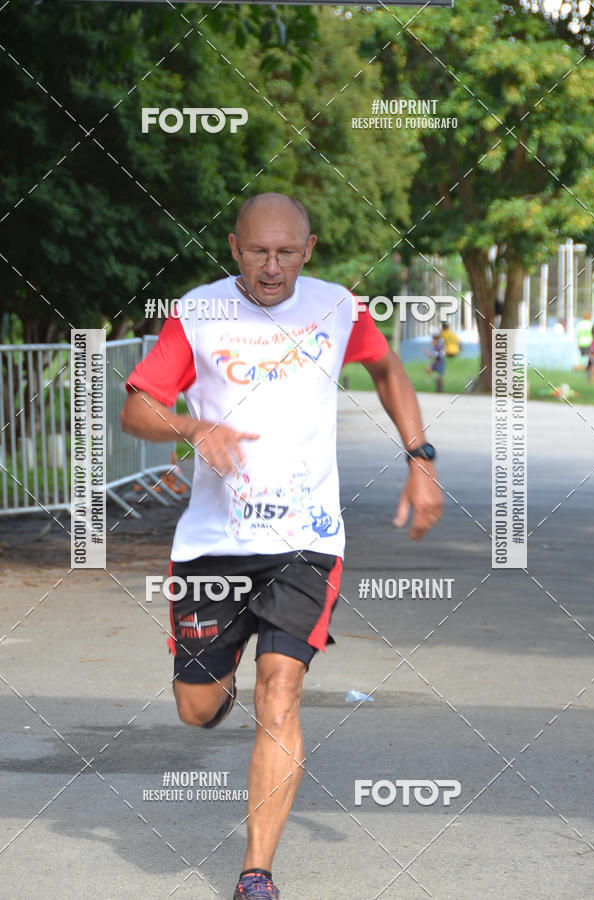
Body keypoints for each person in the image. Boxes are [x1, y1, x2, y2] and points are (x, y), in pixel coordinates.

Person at [120, 192, 443, 900]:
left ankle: (255, 874)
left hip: (307, 539)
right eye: (258, 252)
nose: (272, 268)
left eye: (287, 253)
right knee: (196, 708)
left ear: (310, 248)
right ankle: (217, 678)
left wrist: (420, 459)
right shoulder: (199, 312)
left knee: (282, 692)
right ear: (235, 248)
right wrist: (192, 428)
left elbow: (389, 372)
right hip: (212, 544)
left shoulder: (337, 308)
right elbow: (137, 405)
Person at [425, 328, 446, 393]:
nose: (432, 342)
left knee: (440, 376)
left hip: (440, 363)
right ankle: (435, 380)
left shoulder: (439, 346)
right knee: (428, 368)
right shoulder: (437, 346)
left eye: (433, 340)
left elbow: (440, 354)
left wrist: (428, 354)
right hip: (437, 362)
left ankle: (439, 388)